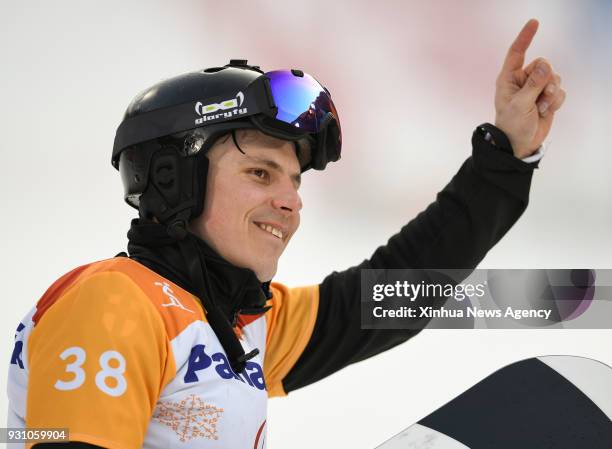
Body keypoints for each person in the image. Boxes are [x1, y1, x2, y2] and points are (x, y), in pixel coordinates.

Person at [7, 19, 565, 449]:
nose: (291, 200)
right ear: (175, 182)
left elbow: (395, 293)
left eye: (296, 182)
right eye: (260, 173)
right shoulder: (114, 303)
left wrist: (506, 157)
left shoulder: (236, 323)